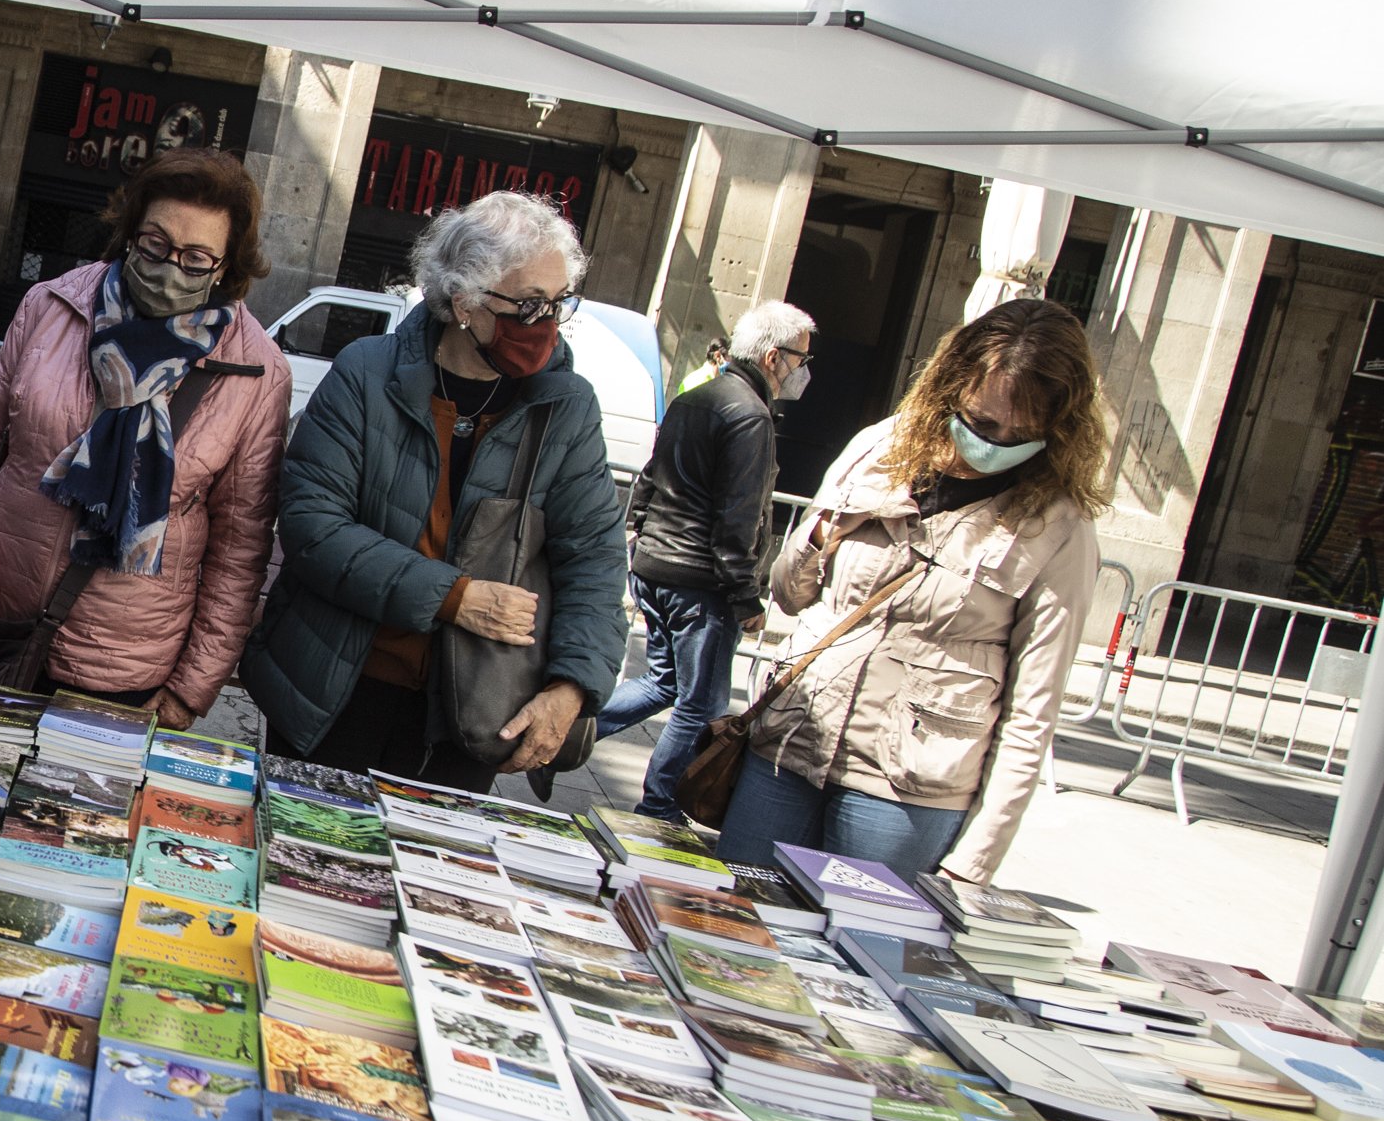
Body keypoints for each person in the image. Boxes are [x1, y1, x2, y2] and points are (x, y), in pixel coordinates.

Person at [244, 189, 626, 789]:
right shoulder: (366, 372)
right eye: (527, 305)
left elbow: (596, 560)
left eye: (558, 303)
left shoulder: (566, 408)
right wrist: (455, 596)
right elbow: (313, 526)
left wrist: (572, 685)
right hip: (338, 691)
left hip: (473, 709)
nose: (544, 324)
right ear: (463, 301)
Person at [716, 297, 1106, 882]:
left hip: (906, 791)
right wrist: (826, 531)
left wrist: (974, 865)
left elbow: (1032, 712)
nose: (995, 443)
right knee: (729, 927)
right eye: (980, 420)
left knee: (858, 957)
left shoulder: (1058, 527)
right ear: (949, 389)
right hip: (793, 743)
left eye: (1021, 432)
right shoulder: (882, 450)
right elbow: (789, 594)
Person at [0, 145, 289, 728]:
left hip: (125, 675)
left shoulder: (257, 371)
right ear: (130, 233)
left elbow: (240, 551)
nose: (170, 268)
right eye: (155, 244)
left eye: (196, 257)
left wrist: (189, 692)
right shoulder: (52, 306)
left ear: (226, 266)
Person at [598, 299, 815, 815]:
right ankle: (659, 808)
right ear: (772, 358)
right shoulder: (750, 416)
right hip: (701, 582)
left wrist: (639, 534)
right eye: (801, 359)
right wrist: (746, 596)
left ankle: (561, 737)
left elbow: (652, 478)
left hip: (658, 567)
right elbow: (737, 518)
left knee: (662, 682)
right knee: (701, 706)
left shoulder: (699, 398)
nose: (804, 371)